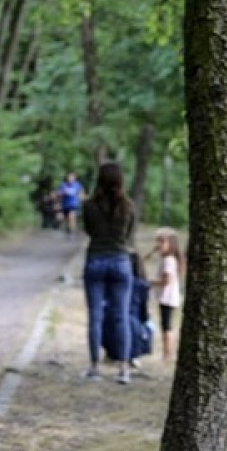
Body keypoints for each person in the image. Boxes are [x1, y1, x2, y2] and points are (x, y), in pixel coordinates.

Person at [80, 161, 136, 384]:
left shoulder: (89, 206)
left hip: (95, 260)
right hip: (121, 261)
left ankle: (94, 367)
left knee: (95, 316)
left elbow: (88, 231)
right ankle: (123, 368)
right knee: (121, 315)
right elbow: (130, 234)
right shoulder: (128, 206)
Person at [152, 227, 183, 362]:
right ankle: (167, 352)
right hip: (167, 297)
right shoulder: (167, 259)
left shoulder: (169, 260)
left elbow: (167, 280)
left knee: (167, 325)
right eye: (157, 241)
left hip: (168, 297)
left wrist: (151, 282)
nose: (158, 245)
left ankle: (168, 353)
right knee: (165, 324)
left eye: (162, 241)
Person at [58, 171, 85, 236]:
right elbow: (59, 194)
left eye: (71, 177)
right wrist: (62, 194)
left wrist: (82, 197)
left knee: (71, 216)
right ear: (67, 178)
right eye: (69, 177)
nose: (70, 178)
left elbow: (81, 193)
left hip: (74, 204)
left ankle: (72, 230)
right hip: (65, 204)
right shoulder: (63, 185)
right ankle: (68, 230)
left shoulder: (78, 185)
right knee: (67, 219)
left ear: (74, 178)